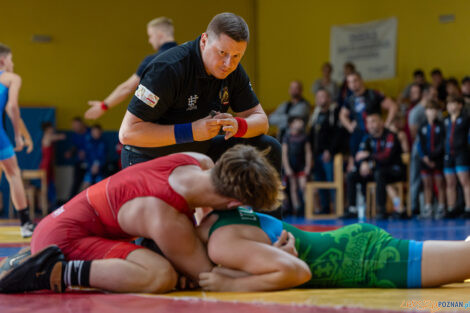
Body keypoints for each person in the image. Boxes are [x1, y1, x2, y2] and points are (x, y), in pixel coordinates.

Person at [0, 145, 283, 294]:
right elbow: (208, 275)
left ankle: (38, 258)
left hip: (62, 224)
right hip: (62, 239)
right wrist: (269, 260)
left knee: (174, 264)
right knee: (161, 276)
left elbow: (200, 234)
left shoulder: (196, 160)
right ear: (235, 203)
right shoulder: (166, 217)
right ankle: (52, 271)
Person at [119, 12, 282, 218]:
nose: (228, 63)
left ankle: (271, 227)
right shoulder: (168, 69)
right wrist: (192, 131)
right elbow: (127, 133)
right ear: (204, 40)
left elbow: (260, 120)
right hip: (148, 156)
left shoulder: (233, 71)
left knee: (268, 147)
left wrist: (239, 125)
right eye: (222, 52)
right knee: (166, 243)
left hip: (197, 151)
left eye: (237, 56)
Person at [197, 206, 470, 291]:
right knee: (461, 260)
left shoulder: (220, 242)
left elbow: (295, 273)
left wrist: (230, 285)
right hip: (356, 250)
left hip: (368, 263)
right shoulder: (223, 213)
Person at [85, 17, 177, 120]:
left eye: (150, 36)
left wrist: (103, 106)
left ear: (160, 35)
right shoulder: (188, 57)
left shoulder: (154, 60)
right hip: (190, 127)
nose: (149, 41)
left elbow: (127, 88)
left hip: (163, 127)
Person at [0, 43, 35, 238]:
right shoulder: (11, 78)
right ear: (3, 61)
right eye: (11, 59)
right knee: (13, 173)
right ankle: (25, 224)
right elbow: (12, 108)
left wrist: (25, 134)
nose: (13, 64)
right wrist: (17, 136)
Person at [345, 113, 406, 219]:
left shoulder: (390, 136)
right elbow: (359, 155)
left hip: (394, 170)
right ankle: (352, 209)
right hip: (376, 170)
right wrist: (363, 164)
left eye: (373, 121)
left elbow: (387, 156)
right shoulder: (367, 138)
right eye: (368, 122)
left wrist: (369, 156)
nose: (370, 125)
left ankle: (381, 210)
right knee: (352, 175)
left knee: (380, 174)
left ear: (381, 123)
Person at [339, 72, 398, 172]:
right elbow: (342, 115)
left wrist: (387, 124)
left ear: (361, 80)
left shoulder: (373, 94)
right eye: (349, 82)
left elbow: (393, 106)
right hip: (358, 135)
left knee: (375, 165)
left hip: (375, 136)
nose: (353, 84)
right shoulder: (350, 99)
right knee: (357, 167)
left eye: (355, 81)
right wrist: (349, 126)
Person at [308, 89, 340, 213]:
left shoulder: (334, 113)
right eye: (319, 96)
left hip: (329, 154)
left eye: (324, 96)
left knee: (331, 181)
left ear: (329, 98)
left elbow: (337, 135)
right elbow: (311, 137)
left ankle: (337, 208)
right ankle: (325, 207)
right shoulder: (315, 115)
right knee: (319, 181)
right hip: (316, 155)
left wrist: (330, 151)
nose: (321, 99)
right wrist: (310, 155)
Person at [416, 100, 446, 219]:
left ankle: (441, 207)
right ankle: (428, 208)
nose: (431, 112)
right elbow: (419, 144)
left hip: (437, 160)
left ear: (437, 112)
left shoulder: (441, 125)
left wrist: (433, 157)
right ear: (426, 112)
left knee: (439, 184)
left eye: (434, 110)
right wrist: (424, 157)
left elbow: (442, 143)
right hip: (425, 160)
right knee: (427, 184)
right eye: (429, 110)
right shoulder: (422, 125)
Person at [443, 95, 470, 218]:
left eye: (453, 103)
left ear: (460, 105)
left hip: (461, 153)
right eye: (448, 104)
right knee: (450, 183)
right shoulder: (445, 120)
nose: (450, 106)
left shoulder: (465, 119)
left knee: (465, 181)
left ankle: (468, 207)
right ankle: (451, 207)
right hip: (449, 154)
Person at [281, 116, 311, 216]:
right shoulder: (287, 137)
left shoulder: (304, 137)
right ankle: (296, 208)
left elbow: (308, 153)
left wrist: (308, 166)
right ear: (291, 124)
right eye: (297, 121)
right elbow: (284, 154)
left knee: (303, 186)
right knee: (293, 187)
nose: (300, 123)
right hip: (291, 164)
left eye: (301, 121)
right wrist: (287, 167)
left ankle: (308, 208)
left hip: (301, 165)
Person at [39, 122, 66, 211]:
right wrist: (61, 135)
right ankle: (45, 206)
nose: (53, 129)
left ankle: (50, 205)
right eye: (51, 128)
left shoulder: (48, 136)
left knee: (51, 185)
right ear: (47, 129)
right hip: (45, 165)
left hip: (49, 165)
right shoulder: (47, 136)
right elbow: (60, 137)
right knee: (46, 186)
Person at [82, 124, 106, 188]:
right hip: (89, 168)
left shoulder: (102, 143)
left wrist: (97, 164)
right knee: (85, 186)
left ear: (100, 132)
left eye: (97, 132)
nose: (95, 134)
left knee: (100, 188)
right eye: (94, 132)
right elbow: (86, 154)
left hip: (100, 170)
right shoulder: (88, 141)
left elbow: (102, 156)